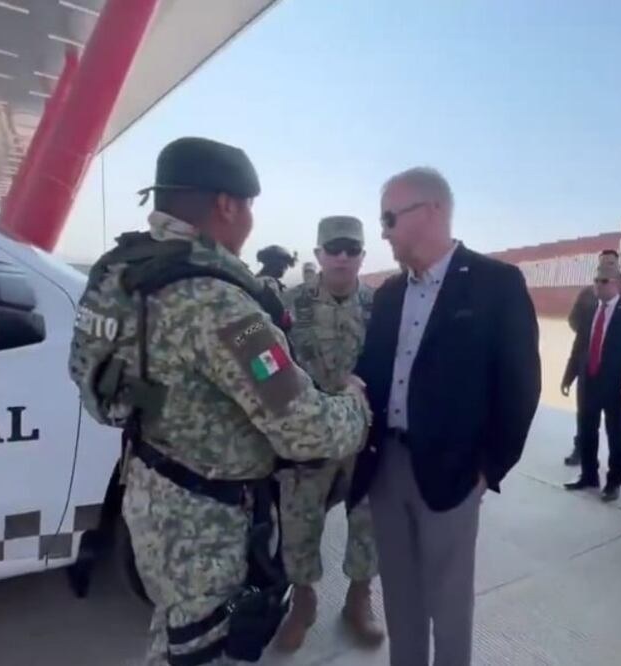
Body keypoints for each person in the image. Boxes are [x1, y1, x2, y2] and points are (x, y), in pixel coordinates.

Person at [67, 137, 371, 666]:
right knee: (202, 647)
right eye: (248, 206)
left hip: (149, 492)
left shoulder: (121, 271)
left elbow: (91, 384)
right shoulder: (221, 304)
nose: (250, 219)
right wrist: (353, 402)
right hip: (206, 529)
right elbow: (307, 429)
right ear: (227, 205)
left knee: (174, 633)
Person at [348, 166, 541, 666]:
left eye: (389, 218)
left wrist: (487, 470)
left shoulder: (497, 284)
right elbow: (372, 370)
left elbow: (520, 387)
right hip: (387, 465)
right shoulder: (389, 294)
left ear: (431, 211)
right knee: (400, 595)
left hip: (454, 472)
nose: (384, 233)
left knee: (449, 602)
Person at [273, 216, 384, 651]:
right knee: (299, 523)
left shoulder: (380, 306)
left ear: (362, 255)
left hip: (362, 437)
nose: (342, 257)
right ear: (318, 253)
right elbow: (262, 363)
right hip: (307, 440)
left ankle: (359, 599)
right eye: (333, 248)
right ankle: (303, 603)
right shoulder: (288, 303)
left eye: (351, 249)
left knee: (368, 521)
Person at [561, 265, 621, 501]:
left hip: (616, 385)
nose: (598, 285)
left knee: (615, 434)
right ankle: (588, 476)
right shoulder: (589, 312)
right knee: (587, 430)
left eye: (604, 281)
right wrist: (569, 376)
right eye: (596, 280)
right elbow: (579, 347)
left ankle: (613, 483)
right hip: (588, 381)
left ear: (618, 283)